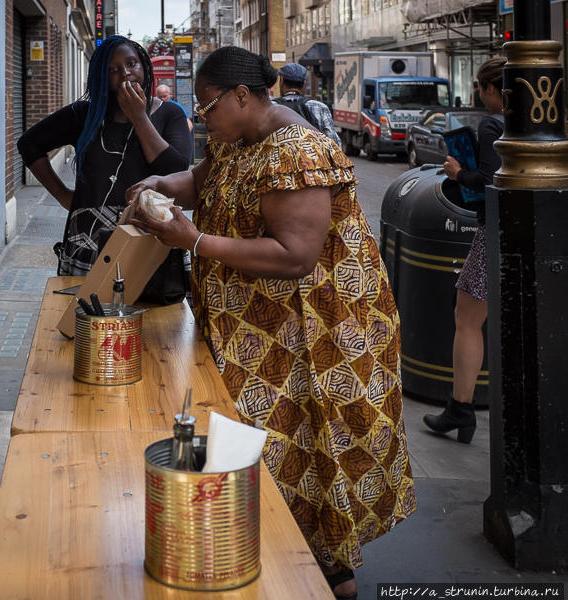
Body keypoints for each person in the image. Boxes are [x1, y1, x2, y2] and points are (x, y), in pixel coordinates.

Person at [125, 46, 415, 600]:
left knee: (299, 450)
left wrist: (196, 241)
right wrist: (163, 186)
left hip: (312, 338)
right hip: (259, 335)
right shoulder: (236, 140)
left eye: (206, 106)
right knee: (263, 449)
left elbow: (296, 255)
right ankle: (286, 564)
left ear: (242, 96)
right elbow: (201, 180)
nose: (199, 118)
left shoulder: (298, 151)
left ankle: (323, 576)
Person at [17, 35, 192, 276]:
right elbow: (29, 144)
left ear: (143, 65)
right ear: (101, 75)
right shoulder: (83, 115)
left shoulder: (170, 114)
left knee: (154, 312)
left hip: (151, 238)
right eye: (113, 69)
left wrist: (139, 117)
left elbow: (177, 170)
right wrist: (63, 195)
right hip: (89, 241)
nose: (125, 74)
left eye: (131, 64)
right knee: (90, 312)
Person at [424, 57, 506, 443]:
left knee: (467, 319)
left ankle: (461, 408)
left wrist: (458, 174)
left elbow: (490, 181)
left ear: (492, 90)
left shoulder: (493, 123)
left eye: (482, 89)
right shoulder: (545, 122)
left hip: (497, 234)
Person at [274, 62, 341, 146]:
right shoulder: (320, 108)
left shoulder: (271, 107)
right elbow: (334, 144)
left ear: (282, 80)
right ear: (304, 83)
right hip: (312, 158)